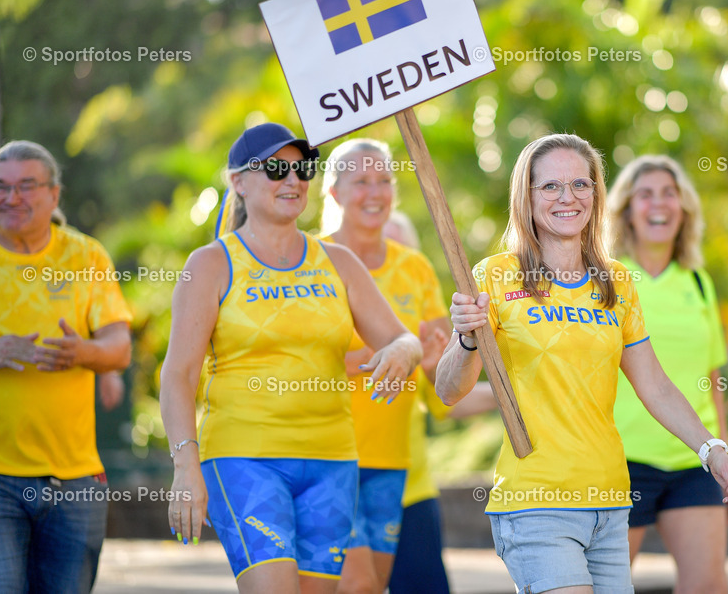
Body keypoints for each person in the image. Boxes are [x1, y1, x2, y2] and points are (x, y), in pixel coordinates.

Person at [437, 133, 728, 594]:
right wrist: (466, 339)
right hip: (535, 501)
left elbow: (656, 386)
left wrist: (713, 452)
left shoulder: (616, 281)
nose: (568, 197)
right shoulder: (495, 274)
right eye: (550, 187)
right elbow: (449, 390)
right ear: (525, 196)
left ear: (597, 194)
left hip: (609, 502)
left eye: (580, 185)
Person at [160, 123, 421, 594]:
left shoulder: (338, 262)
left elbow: (402, 338)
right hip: (245, 456)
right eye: (277, 168)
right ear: (238, 181)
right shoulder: (211, 264)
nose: (293, 180)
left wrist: (402, 352)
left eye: (303, 169)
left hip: (332, 462)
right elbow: (178, 375)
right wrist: (185, 466)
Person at [0, 140, 132, 594]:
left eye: (26, 186)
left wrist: (83, 354)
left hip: (74, 482)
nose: (11, 198)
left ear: (54, 194)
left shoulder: (86, 256)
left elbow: (118, 347)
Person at [320, 138, 453, 594]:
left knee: (373, 587)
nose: (375, 192)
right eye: (360, 181)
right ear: (333, 193)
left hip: (395, 463)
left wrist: (438, 358)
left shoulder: (415, 268)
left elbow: (443, 367)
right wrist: (370, 356)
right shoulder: (309, 262)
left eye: (384, 180)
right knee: (355, 586)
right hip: (327, 459)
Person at [607, 154, 728, 594]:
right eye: (645, 194)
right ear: (627, 210)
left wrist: (723, 455)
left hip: (692, 461)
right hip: (622, 463)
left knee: (709, 587)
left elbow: (711, 379)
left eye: (668, 193)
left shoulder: (699, 283)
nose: (657, 204)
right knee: (603, 588)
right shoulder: (607, 281)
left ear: (683, 210)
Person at [380, 210, 499, 594]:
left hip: (410, 487)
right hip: (339, 478)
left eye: (402, 249)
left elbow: (447, 399)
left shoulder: (422, 324)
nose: (392, 257)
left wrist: (513, 393)